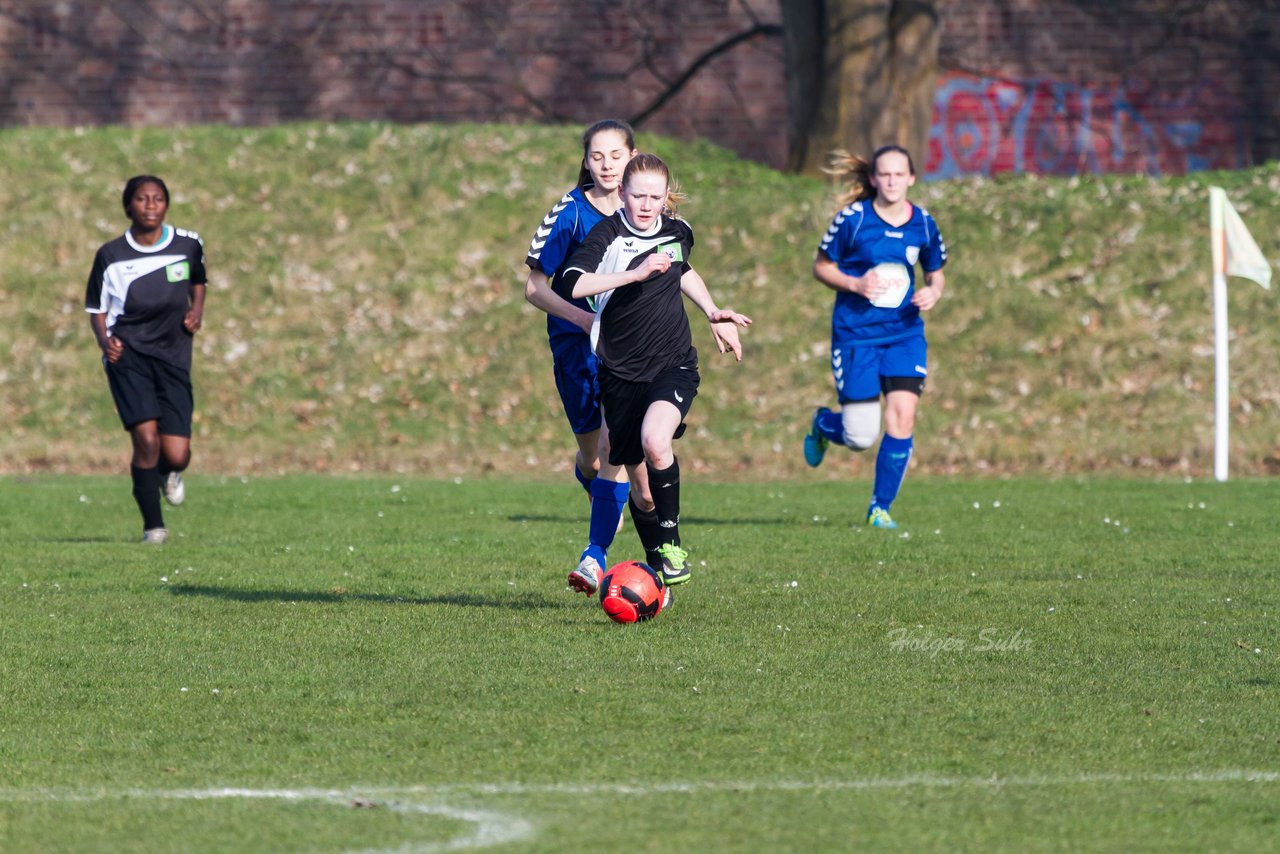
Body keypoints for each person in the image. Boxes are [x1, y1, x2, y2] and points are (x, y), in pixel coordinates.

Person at [558, 153, 751, 597]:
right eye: (638, 195)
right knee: (642, 492)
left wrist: (713, 313)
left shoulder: (676, 231)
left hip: (672, 364)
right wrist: (634, 274)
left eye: (655, 197)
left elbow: (682, 269)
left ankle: (671, 544)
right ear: (622, 195)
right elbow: (571, 283)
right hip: (619, 373)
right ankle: (655, 569)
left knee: (656, 440)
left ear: (666, 199)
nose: (646, 205)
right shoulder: (606, 235)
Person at [802, 145, 948, 529]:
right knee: (860, 435)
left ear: (912, 178)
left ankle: (879, 508)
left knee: (903, 417)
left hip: (904, 335)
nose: (892, 181)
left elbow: (935, 271)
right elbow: (821, 266)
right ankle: (822, 424)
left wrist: (934, 291)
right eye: (885, 174)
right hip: (856, 337)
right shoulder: (852, 219)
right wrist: (855, 282)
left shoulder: (925, 223)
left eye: (900, 174)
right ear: (873, 179)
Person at [85, 175, 207, 544]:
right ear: (128, 206)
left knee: (177, 453)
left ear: (166, 204)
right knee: (146, 440)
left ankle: (168, 473)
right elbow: (96, 308)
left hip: (173, 355)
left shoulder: (188, 244)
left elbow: (198, 281)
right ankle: (153, 526)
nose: (150, 205)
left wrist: (196, 310)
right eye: (141, 199)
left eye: (157, 199)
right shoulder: (111, 255)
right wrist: (105, 342)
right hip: (128, 354)